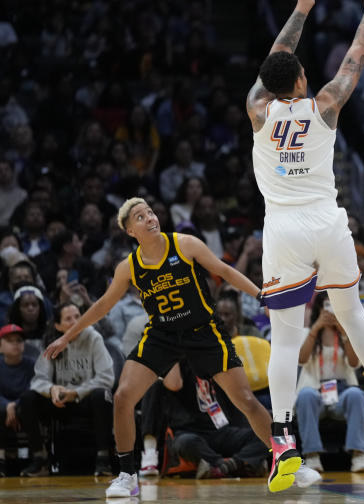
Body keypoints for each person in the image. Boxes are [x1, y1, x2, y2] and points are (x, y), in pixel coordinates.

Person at [244, 0, 364, 493]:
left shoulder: (256, 109)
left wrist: (299, 10)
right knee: (350, 309)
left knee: (286, 340)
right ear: (299, 79)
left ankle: (283, 441)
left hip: (284, 231)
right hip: (327, 221)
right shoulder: (325, 105)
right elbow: (357, 53)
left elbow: (273, 62)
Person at [42, 198, 281, 498]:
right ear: (131, 231)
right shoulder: (128, 267)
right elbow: (103, 305)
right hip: (163, 333)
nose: (150, 218)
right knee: (123, 396)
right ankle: (128, 474)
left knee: (246, 399)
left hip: (203, 330)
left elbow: (225, 271)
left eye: (151, 213)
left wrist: (263, 297)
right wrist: (67, 337)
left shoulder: (185, 244)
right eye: (140, 217)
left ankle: (285, 458)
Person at [18, 302, 115, 477]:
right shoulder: (51, 342)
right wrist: (52, 389)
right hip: (61, 402)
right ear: (58, 326)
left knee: (102, 395)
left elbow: (106, 377)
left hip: (86, 399)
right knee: (27, 398)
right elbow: (38, 379)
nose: (75, 321)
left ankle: (103, 459)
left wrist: (77, 392)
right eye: (68, 318)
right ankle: (40, 459)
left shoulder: (94, 338)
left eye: (78, 316)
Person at [295, 293, 364, 473]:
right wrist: (316, 328)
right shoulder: (306, 332)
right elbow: (301, 359)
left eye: (333, 306)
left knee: (357, 394)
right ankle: (312, 455)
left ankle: (359, 455)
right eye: (326, 306)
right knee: (305, 395)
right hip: (315, 389)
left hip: (342, 389)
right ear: (319, 309)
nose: (330, 311)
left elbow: (354, 363)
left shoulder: (349, 332)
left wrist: (344, 332)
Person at [0, 324, 36, 477]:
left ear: (24, 345)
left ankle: (36, 458)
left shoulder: (31, 364)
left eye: (19, 340)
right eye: (10, 340)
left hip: (23, 405)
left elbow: (31, 390)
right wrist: (8, 405)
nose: (15, 343)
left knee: (29, 406)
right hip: (3, 407)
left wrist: (14, 405)